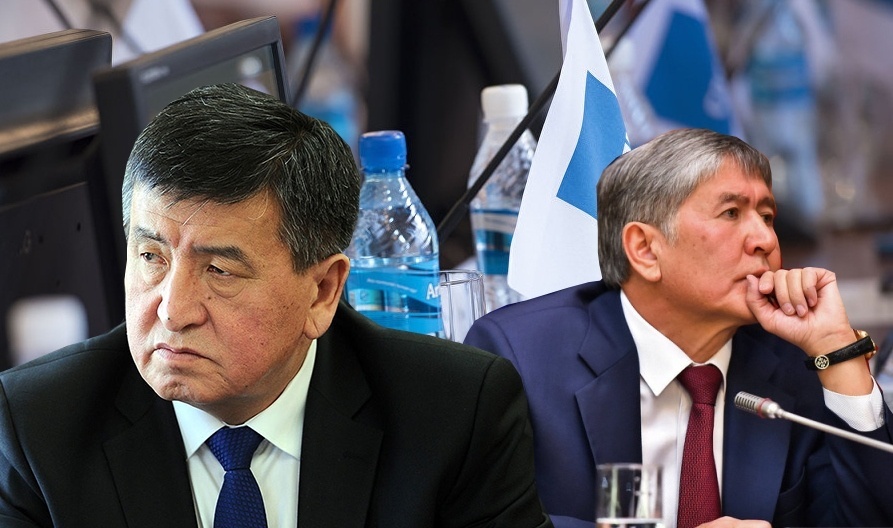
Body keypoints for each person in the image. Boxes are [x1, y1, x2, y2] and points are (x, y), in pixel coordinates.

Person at [0, 83, 552, 528]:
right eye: (151, 257)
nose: (172, 310)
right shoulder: (39, 427)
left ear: (323, 292)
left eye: (219, 271)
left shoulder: (454, 416)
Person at [465, 128, 893, 528]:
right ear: (645, 249)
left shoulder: (799, 362)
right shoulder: (523, 358)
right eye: (731, 213)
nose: (765, 240)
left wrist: (836, 350)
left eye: (767, 216)